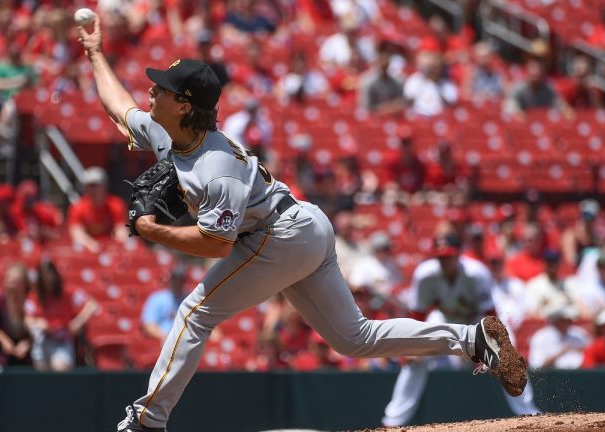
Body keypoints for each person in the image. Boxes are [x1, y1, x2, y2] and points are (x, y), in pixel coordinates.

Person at [78, 17, 527, 432]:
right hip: (300, 224)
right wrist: (96, 53)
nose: (151, 92)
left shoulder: (216, 167)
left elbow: (216, 244)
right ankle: (472, 339)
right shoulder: (167, 131)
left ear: (185, 106)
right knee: (356, 339)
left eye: (162, 89)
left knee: (195, 313)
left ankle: (147, 421)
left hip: (279, 235)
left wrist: (153, 231)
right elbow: (120, 108)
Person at [381, 234, 539, 427]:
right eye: (440, 257)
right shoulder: (425, 274)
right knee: (414, 361)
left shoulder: (476, 273)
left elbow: (490, 316)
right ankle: (393, 422)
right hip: (444, 318)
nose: (445, 261)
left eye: (449, 256)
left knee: (507, 355)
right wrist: (411, 348)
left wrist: (489, 346)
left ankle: (530, 414)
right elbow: (418, 315)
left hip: (477, 319)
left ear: (459, 255)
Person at [25, 260, 98, 371]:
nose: (48, 280)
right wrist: (38, 323)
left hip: (62, 341)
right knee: (41, 376)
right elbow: (27, 319)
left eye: (50, 275)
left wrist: (79, 321)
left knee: (60, 368)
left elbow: (92, 304)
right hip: (43, 340)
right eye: (44, 277)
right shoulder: (35, 296)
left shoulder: (67, 292)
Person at [67, 166, 129, 252]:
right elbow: (77, 232)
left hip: (110, 246)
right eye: (89, 186)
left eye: (96, 186)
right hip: (87, 247)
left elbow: (121, 230)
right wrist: (91, 245)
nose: (93, 190)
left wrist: (116, 244)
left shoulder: (116, 204)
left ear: (105, 186)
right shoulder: (77, 207)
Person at [0, 263, 33, 366]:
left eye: (17, 281)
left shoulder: (32, 302)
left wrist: (28, 343)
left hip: (27, 356)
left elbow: (36, 331)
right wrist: (5, 341)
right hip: (4, 355)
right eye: (10, 279)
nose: (13, 284)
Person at [503, 59, 573, 120]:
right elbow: (510, 109)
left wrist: (567, 113)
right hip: (523, 125)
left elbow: (562, 106)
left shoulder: (548, 90)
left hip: (544, 124)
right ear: (527, 72)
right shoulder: (518, 89)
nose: (536, 74)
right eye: (533, 74)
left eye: (538, 73)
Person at [528, 305, 590, 369]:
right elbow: (537, 366)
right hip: (552, 375)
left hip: (579, 373)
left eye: (568, 319)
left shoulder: (578, 333)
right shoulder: (541, 337)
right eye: (564, 319)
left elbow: (589, 354)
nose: (568, 322)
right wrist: (562, 352)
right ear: (556, 320)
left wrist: (579, 349)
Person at [526, 250, 583, 319]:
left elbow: (581, 309)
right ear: (544, 263)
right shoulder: (534, 285)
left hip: (568, 321)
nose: (552, 266)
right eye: (549, 263)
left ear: (559, 264)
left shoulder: (570, 283)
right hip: (546, 324)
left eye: (554, 263)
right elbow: (532, 314)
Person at [142, 267, 187, 343]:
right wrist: (166, 337)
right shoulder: (157, 298)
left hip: (186, 340)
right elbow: (149, 326)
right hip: (162, 342)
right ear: (170, 280)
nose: (178, 283)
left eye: (180, 280)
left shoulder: (189, 299)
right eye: (175, 279)